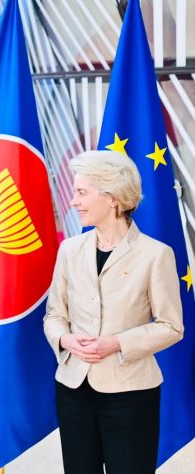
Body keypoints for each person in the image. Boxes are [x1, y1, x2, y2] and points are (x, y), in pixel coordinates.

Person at [43, 150, 184, 473]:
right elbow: (54, 315)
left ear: (113, 198)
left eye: (82, 193)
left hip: (131, 393)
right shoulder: (69, 249)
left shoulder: (155, 255)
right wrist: (65, 339)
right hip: (73, 388)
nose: (74, 202)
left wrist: (116, 343)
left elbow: (171, 326)